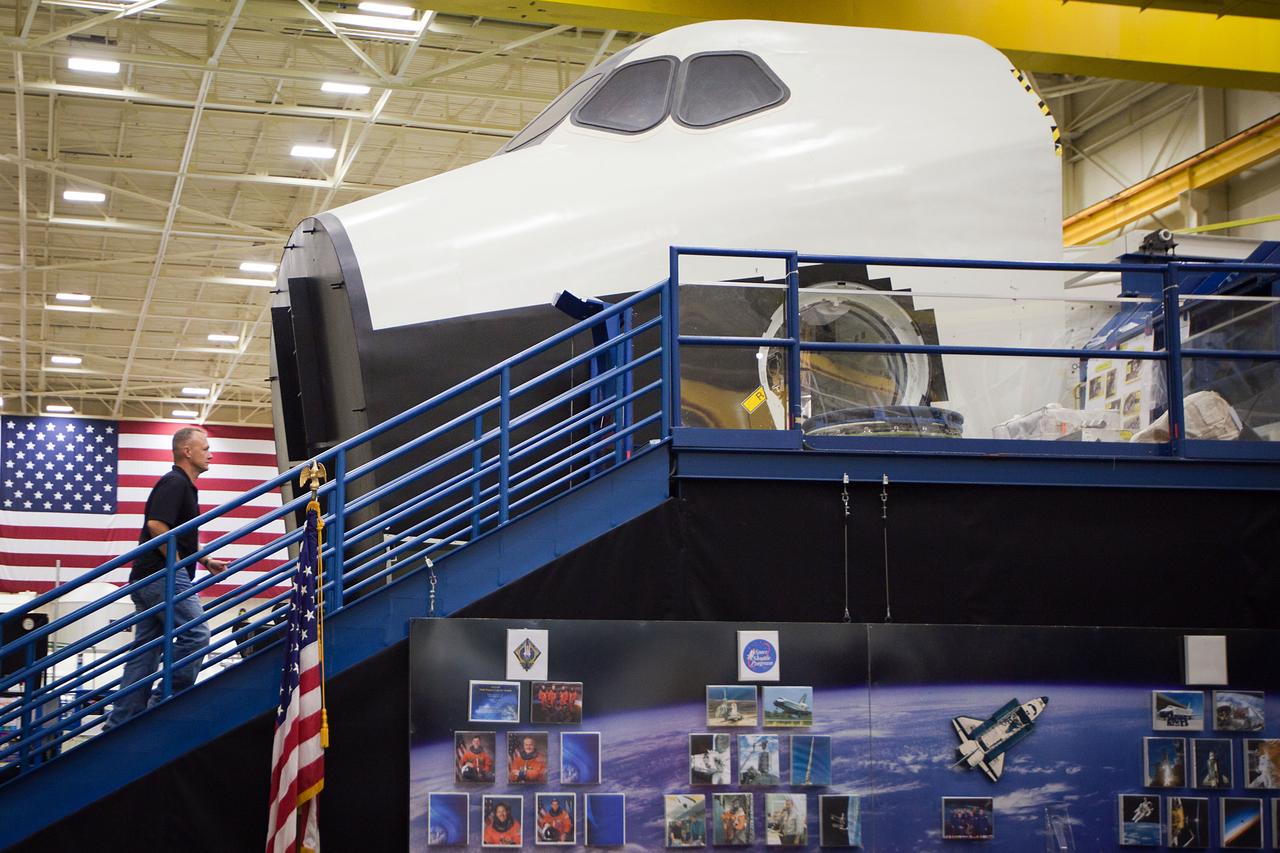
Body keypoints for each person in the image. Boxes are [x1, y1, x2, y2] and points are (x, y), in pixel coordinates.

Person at [104, 427, 227, 731]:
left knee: (146, 651)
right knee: (196, 634)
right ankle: (162, 704)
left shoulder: (183, 485)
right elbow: (157, 524)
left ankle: (121, 722)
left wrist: (205, 559)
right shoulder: (175, 483)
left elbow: (178, 533)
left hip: (148, 577)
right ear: (187, 451)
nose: (210, 454)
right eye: (205, 448)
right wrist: (174, 564)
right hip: (160, 576)